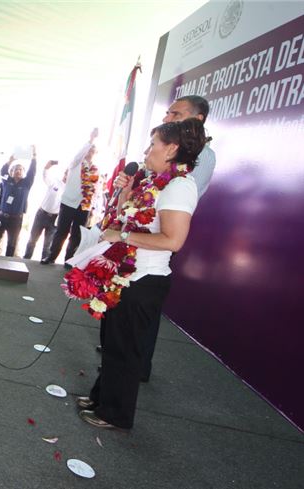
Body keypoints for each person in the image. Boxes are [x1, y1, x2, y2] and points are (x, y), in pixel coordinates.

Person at [77, 118, 206, 430]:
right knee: (113, 343)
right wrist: (125, 192)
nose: (147, 151)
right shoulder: (153, 182)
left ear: (171, 149)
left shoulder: (179, 186)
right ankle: (101, 398)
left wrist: (121, 237)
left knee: (126, 350)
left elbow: (173, 240)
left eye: (153, 144)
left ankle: (115, 413)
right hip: (127, 275)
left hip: (145, 280)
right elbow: (129, 218)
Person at [111, 95, 214, 383]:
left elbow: (173, 220)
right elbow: (140, 203)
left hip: (154, 252)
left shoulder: (187, 175)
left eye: (176, 114)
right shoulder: (157, 171)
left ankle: (134, 369)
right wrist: (128, 192)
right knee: (119, 333)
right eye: (168, 113)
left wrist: (126, 233)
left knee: (136, 330)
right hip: (135, 248)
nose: (168, 118)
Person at [44, 128, 99, 264]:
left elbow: (96, 190)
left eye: (93, 151)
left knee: (76, 234)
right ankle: (51, 257)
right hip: (69, 203)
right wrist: (91, 139)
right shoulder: (75, 163)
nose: (90, 153)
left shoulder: (95, 170)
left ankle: (69, 260)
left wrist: (92, 207)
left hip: (84, 206)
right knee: (61, 232)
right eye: (88, 150)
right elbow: (79, 155)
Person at [0, 146, 38, 257]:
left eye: (20, 169)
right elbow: (3, 171)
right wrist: (11, 160)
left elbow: (32, 172)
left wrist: (34, 156)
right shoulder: (7, 181)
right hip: (2, 217)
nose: (18, 171)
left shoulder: (26, 183)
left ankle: (8, 263)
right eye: (16, 169)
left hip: (16, 219)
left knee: (12, 244)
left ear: (23, 172)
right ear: (12, 172)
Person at [24, 160, 64, 261]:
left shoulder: (69, 189)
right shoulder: (55, 182)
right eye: (66, 173)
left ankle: (44, 264)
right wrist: (47, 167)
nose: (67, 175)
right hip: (41, 214)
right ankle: (26, 259)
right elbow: (45, 176)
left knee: (47, 244)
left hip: (54, 218)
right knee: (32, 240)